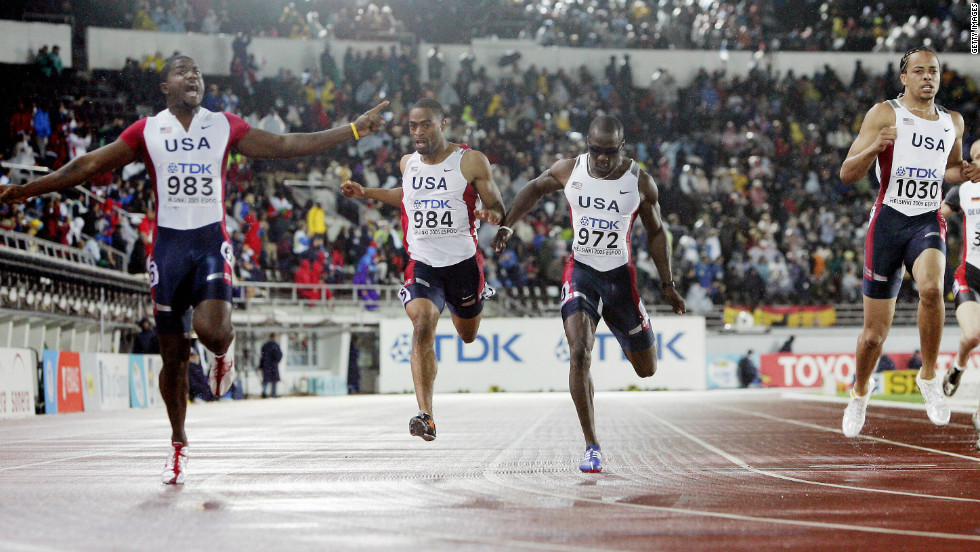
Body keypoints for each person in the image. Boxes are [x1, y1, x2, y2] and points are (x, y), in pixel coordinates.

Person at [0, 55, 387, 484]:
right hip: (167, 250)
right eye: (182, 70)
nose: (193, 76)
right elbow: (86, 166)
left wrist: (352, 130)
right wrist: (26, 190)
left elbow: (284, 145)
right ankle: (178, 444)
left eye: (198, 72)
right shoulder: (147, 130)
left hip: (208, 242)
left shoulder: (222, 125)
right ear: (164, 85)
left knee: (212, 329)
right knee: (175, 360)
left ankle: (222, 354)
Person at [489, 115, 686, 473]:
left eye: (609, 153)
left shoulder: (639, 182)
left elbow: (657, 232)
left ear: (621, 149)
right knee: (579, 353)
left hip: (620, 279)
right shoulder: (570, 170)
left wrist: (667, 284)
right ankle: (592, 445)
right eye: (596, 151)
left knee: (647, 370)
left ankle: (633, 328)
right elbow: (534, 188)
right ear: (587, 147)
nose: (602, 159)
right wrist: (507, 224)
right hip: (581, 271)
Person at [341, 98, 505, 442]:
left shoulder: (471, 161)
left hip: (462, 263)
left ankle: (480, 293)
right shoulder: (407, 163)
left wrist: (490, 215)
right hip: (422, 263)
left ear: (442, 125)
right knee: (422, 323)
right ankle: (425, 415)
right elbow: (407, 196)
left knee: (468, 335)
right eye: (413, 126)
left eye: (426, 124)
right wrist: (365, 192)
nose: (418, 132)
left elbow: (497, 206)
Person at [838, 47, 980, 438]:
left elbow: (949, 169)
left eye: (933, 71)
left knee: (933, 290)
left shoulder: (953, 121)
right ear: (904, 77)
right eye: (918, 71)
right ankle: (860, 393)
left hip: (926, 219)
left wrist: (965, 172)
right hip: (887, 223)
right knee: (873, 336)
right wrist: (875, 145)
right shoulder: (884, 114)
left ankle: (930, 378)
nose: (927, 77)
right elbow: (847, 173)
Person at [939, 138, 980, 449]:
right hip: (969, 277)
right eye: (974, 157)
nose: (976, 162)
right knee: (974, 335)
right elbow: (938, 215)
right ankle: (959, 364)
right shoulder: (963, 190)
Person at [259, 333, 282, 398]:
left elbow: (262, 355)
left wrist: (261, 365)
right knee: (274, 380)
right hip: (273, 365)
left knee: (265, 380)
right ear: (274, 337)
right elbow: (278, 355)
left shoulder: (265, 345)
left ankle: (264, 392)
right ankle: (273, 393)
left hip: (265, 365)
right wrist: (276, 361)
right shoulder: (275, 345)